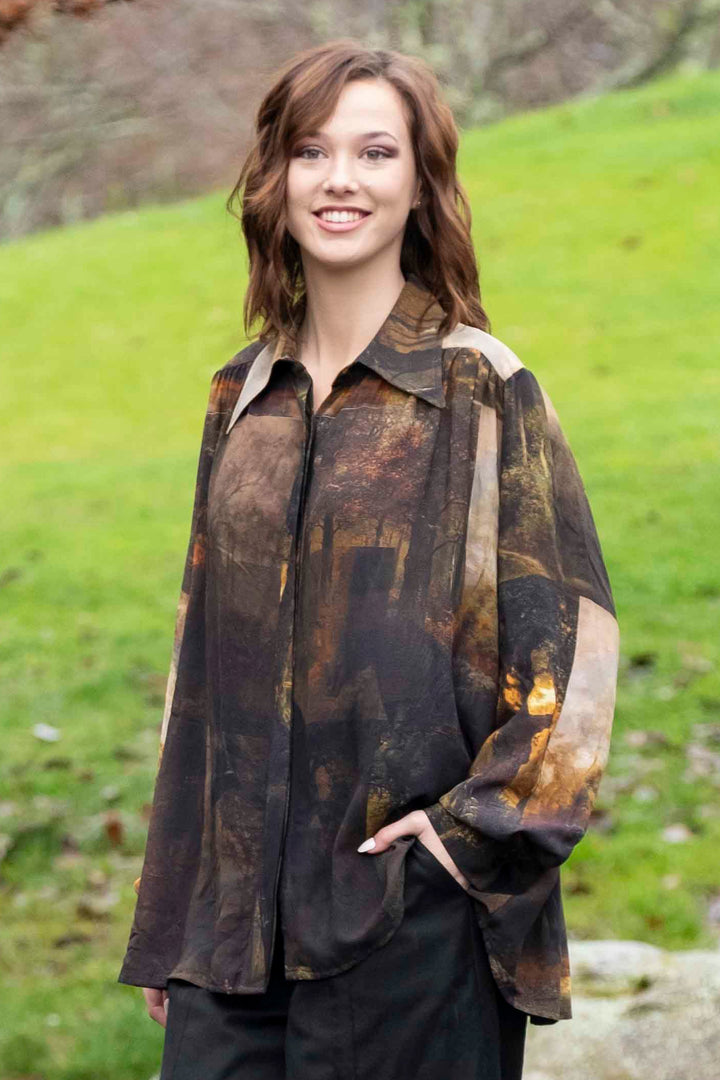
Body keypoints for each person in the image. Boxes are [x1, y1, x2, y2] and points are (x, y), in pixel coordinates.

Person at [117, 38, 620, 1080]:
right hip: (232, 932)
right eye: (312, 151)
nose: (340, 178)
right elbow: (199, 668)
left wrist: (467, 839)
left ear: (421, 186)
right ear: (275, 178)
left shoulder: (483, 387)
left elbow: (572, 656)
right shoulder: (240, 397)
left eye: (376, 152)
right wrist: (172, 910)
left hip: (409, 921)